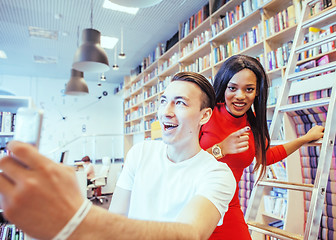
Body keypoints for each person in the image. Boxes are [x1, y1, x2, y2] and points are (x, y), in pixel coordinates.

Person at [0, 72, 236, 240]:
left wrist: (77, 218)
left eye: (180, 103)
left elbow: (191, 234)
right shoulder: (140, 152)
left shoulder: (217, 174)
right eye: (163, 101)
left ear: (204, 116)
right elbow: (117, 215)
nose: (166, 111)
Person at [199, 54, 325, 240]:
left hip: (228, 205)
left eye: (249, 89)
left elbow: (267, 157)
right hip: (194, 201)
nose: (240, 96)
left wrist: (304, 139)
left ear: (257, 92)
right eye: (232, 88)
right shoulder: (205, 115)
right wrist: (220, 149)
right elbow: (181, 160)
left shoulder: (254, 125)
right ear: (224, 86)